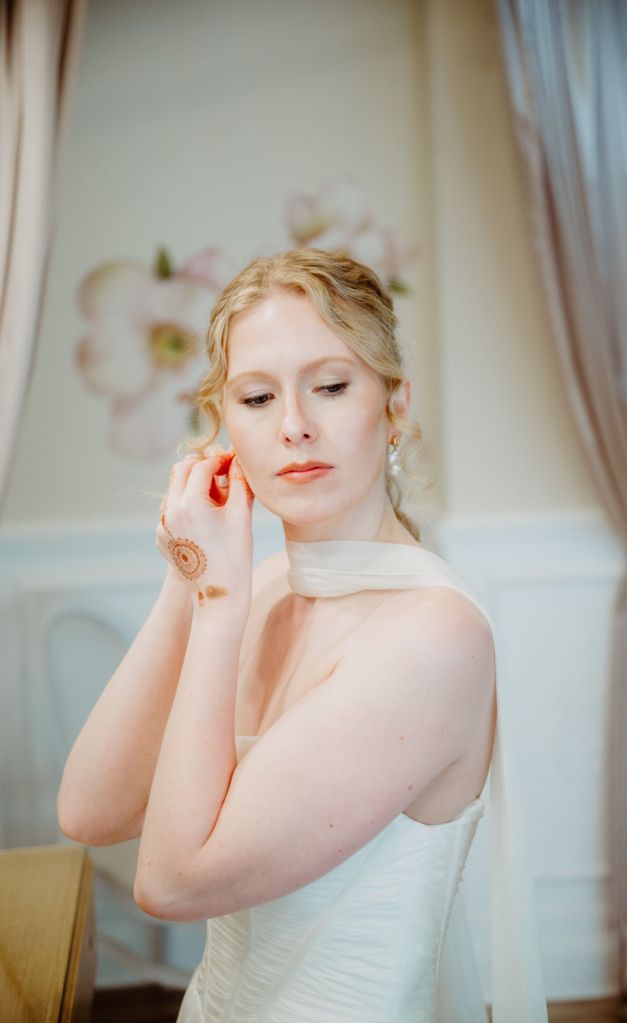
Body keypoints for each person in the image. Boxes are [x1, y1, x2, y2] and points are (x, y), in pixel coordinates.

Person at [57, 248, 548, 1021]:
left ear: (394, 405)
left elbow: (172, 882)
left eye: (330, 386)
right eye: (256, 397)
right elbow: (90, 812)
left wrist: (218, 596)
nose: (293, 426)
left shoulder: (433, 636)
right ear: (224, 426)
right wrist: (186, 577)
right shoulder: (262, 587)